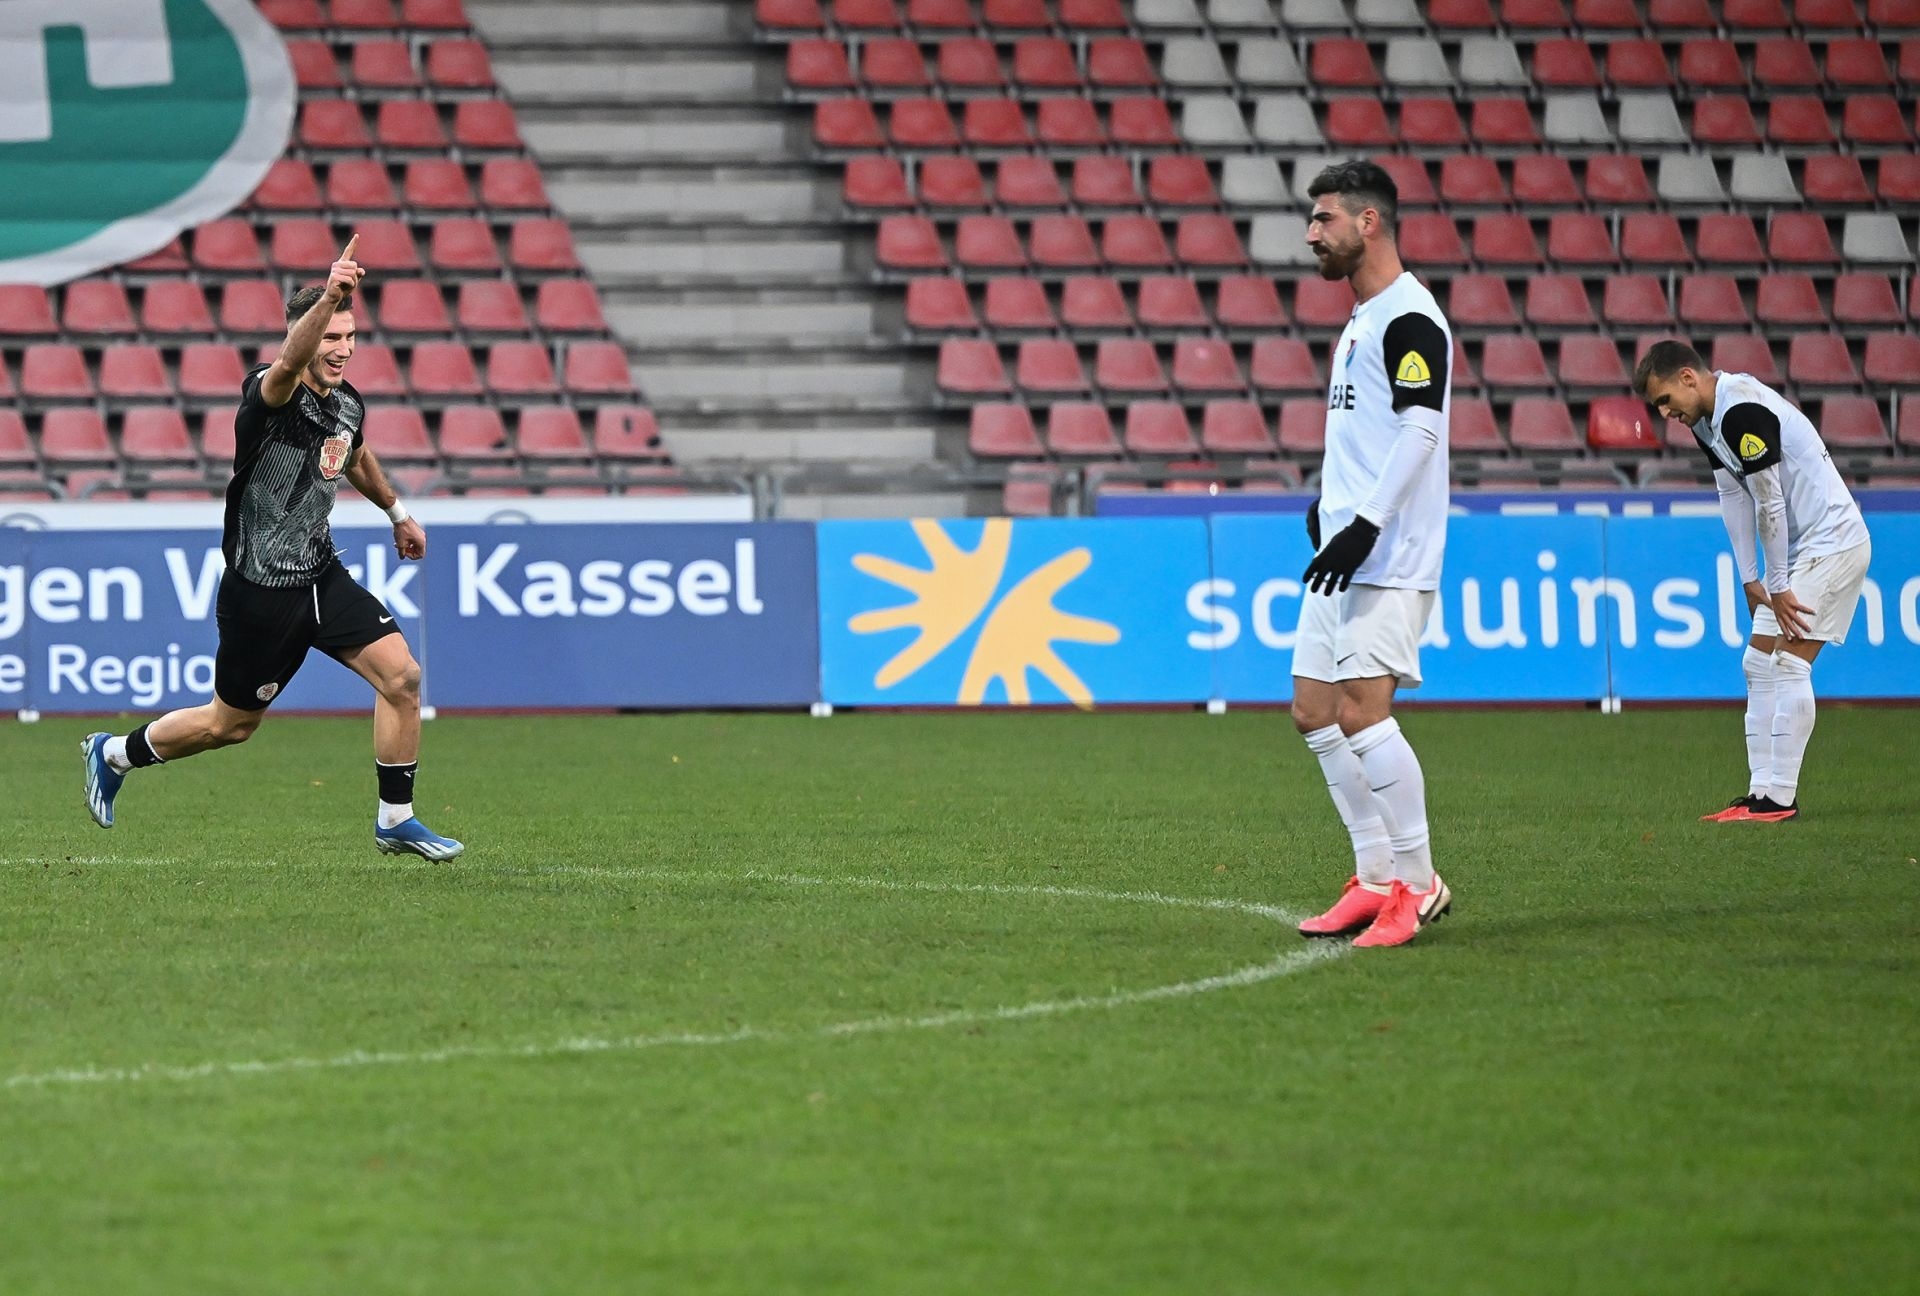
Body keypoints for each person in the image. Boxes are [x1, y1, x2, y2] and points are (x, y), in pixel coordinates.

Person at [82, 236, 463, 859]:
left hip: (321, 574)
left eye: (349, 336)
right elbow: (287, 366)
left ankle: (396, 820)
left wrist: (398, 513)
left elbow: (353, 454)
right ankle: (115, 753)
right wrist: (331, 293)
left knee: (402, 678)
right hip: (261, 591)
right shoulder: (269, 393)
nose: (341, 349)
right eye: (329, 336)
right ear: (304, 336)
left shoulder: (346, 404)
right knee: (228, 726)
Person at [1290, 160, 1453, 949]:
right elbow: (1370, 433)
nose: (1311, 234)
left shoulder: (1410, 317)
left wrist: (1366, 523)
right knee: (1314, 709)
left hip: (1387, 552)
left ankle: (1418, 884)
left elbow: (1421, 429)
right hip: (1346, 544)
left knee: (1362, 711)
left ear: (1369, 222)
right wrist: (1330, 507)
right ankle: (1375, 876)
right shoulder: (1362, 320)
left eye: (1324, 218)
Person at [1632, 341, 1872, 824]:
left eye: (1665, 400)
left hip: (1833, 543)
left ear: (1688, 377)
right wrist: (1749, 578)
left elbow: (1770, 501)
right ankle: (1759, 793)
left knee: (1789, 663)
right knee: (1757, 663)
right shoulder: (1706, 419)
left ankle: (1780, 799)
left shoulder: (1741, 411)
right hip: (1805, 548)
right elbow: (1733, 496)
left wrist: (1777, 584)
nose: (1665, 414)